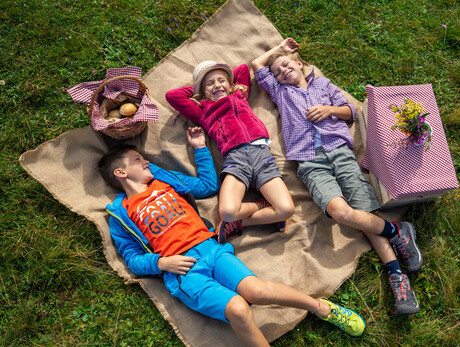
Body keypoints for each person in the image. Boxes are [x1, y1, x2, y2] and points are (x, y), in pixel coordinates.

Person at [98, 127, 367, 345]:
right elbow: (132, 258)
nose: (146, 161)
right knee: (239, 309)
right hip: (182, 270)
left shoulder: (163, 180)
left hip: (211, 248)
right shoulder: (120, 214)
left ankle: (321, 308)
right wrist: (161, 264)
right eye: (138, 160)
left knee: (256, 290)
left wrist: (201, 148)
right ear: (120, 173)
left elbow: (206, 186)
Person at [251, 38, 423, 316]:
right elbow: (257, 65)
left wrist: (329, 110)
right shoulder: (280, 92)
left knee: (365, 214)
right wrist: (280, 48)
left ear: (299, 63)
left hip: (341, 153)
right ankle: (397, 231)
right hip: (310, 162)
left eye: (286, 65)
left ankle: (398, 280)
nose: (282, 72)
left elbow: (351, 111)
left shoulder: (322, 84)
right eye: (278, 72)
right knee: (340, 211)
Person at [165, 61, 295, 243]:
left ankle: (240, 223)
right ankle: (260, 206)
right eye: (210, 83)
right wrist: (197, 89)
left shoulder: (241, 96)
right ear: (203, 91)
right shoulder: (202, 111)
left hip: (262, 157)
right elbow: (173, 96)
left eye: (221, 81)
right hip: (236, 161)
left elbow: (242, 68)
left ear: (231, 84)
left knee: (286, 209)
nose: (217, 85)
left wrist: (230, 84)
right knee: (227, 212)